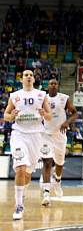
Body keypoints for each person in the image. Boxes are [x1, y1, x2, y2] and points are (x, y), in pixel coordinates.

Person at [3, 69, 52, 219]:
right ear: (21, 79)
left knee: (28, 173)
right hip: (19, 134)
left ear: (34, 79)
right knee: (20, 168)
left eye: (31, 75)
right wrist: (10, 116)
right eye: (26, 75)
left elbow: (50, 116)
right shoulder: (15, 95)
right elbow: (6, 116)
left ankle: (22, 191)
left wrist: (45, 114)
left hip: (36, 136)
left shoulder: (41, 95)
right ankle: (19, 206)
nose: (29, 77)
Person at [40, 79, 78, 204]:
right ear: (48, 86)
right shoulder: (42, 98)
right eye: (51, 83)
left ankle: (58, 181)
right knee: (47, 162)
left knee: (59, 163)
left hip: (60, 136)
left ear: (58, 86)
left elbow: (75, 113)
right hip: (46, 134)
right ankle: (46, 193)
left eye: (55, 83)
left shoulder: (64, 98)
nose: (53, 85)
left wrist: (67, 122)